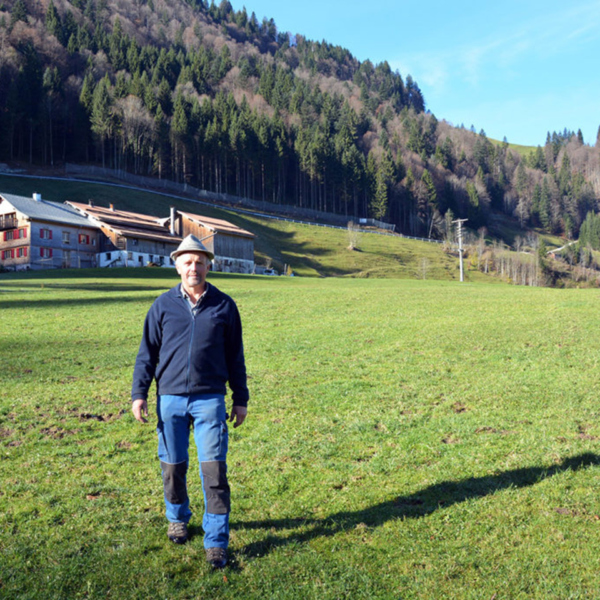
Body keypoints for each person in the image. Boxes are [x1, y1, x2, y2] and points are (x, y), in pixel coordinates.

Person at [131, 234, 249, 569]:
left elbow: (235, 357)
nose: (193, 267)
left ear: (209, 265)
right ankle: (177, 517)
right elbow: (146, 355)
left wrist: (240, 398)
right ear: (177, 265)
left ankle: (215, 541)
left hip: (210, 399)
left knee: (213, 472)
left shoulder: (225, 306)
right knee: (173, 468)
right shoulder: (162, 306)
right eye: (187, 261)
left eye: (199, 261)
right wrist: (139, 394)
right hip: (169, 399)